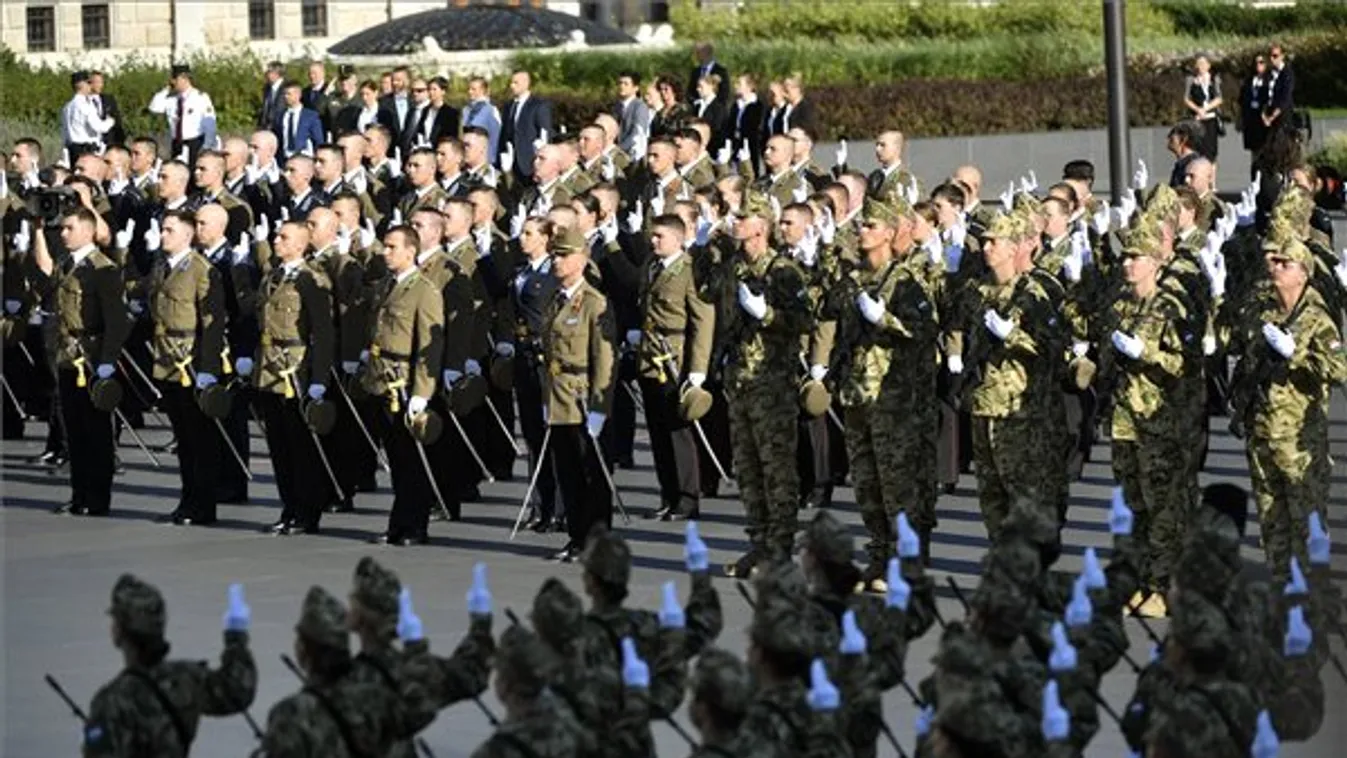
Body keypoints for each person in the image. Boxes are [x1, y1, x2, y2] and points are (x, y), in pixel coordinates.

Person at [1229, 233, 1345, 584]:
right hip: (1263, 429)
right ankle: (1281, 583)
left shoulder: (1316, 318)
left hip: (1298, 438)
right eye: (1275, 261)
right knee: (1271, 514)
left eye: (1285, 263)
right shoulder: (1262, 311)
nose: (1276, 267)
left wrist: (1296, 354)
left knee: (1305, 516)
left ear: (1303, 273)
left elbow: (1339, 368)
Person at [723, 191, 812, 577]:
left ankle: (780, 548)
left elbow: (802, 322)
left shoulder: (784, 271)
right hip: (740, 382)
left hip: (772, 383)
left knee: (777, 469)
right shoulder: (734, 268)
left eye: (744, 217)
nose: (736, 222)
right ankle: (758, 544)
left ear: (762, 226)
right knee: (747, 469)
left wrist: (768, 314)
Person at [82, 574, 258, 756]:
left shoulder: (112, 701)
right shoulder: (186, 679)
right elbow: (237, 691)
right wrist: (236, 634)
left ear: (120, 632)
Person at [28, 207, 129, 517]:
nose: (64, 233)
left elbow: (117, 321)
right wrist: (26, 255)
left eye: (69, 228)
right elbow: (47, 291)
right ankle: (79, 494)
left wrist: (108, 361)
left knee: (96, 432)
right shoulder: (65, 264)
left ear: (87, 231)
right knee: (74, 430)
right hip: (68, 356)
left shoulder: (103, 269)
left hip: (93, 356)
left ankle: (97, 498)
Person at [141, 209, 228, 527]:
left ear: (188, 234)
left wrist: (208, 368)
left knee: (199, 438)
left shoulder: (202, 271)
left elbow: (212, 323)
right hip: (167, 360)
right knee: (183, 437)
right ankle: (187, 500)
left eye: (169, 230)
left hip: (190, 362)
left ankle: (203, 505)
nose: (163, 235)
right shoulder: (162, 267)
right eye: (163, 230)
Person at [360, 226, 444, 546]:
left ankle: (415, 525)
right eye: (385, 246)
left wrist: (422, 392)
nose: (386, 252)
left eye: (393, 247)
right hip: (382, 380)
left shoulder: (424, 290)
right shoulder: (385, 286)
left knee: (411, 460)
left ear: (411, 251)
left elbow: (430, 346)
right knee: (395, 459)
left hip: (405, 383)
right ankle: (398, 522)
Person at [540, 227, 616, 562]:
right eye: (555, 254)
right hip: (559, 398)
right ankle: (576, 536)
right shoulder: (556, 298)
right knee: (567, 473)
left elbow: (604, 359)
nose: (557, 260)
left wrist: (601, 407)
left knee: (592, 474)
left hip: (583, 398)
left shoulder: (594, 303)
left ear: (582, 259)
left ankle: (596, 541)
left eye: (564, 254)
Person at [636, 214, 714, 522]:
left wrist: (697, 369)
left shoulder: (690, 270)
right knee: (657, 432)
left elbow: (703, 320)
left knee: (678, 431)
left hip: (675, 358)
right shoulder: (651, 266)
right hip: (650, 356)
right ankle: (667, 494)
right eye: (652, 236)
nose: (654, 241)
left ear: (678, 239)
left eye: (660, 236)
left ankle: (687, 498)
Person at [147, 64, 217, 166]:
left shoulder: (200, 97)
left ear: (184, 78)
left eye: (175, 79)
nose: (173, 82)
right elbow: (154, 108)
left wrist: (207, 146)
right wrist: (166, 89)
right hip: (177, 144)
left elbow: (209, 124)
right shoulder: (171, 99)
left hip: (195, 143)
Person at [501, 70, 554, 183]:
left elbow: (545, 134)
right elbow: (505, 133)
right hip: (512, 162)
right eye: (511, 82)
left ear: (526, 83)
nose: (512, 86)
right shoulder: (509, 106)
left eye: (516, 83)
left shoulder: (538, 105)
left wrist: (542, 159)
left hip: (531, 161)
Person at [62, 71, 118, 160]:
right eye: (89, 83)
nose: (90, 86)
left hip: (72, 150)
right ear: (82, 84)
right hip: (86, 150)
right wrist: (110, 121)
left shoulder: (67, 107)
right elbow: (99, 127)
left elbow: (65, 133)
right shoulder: (85, 105)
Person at [1183, 55, 1223, 163]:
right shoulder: (1191, 80)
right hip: (1197, 119)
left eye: (1203, 63)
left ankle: (1212, 178)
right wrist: (1197, 109)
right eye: (1198, 64)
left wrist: (1206, 108)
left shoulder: (1214, 79)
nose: (1200, 66)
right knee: (1198, 149)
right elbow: (1186, 99)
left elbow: (1219, 98)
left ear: (1208, 66)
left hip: (1211, 118)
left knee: (1211, 152)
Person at [274, 81, 325, 161]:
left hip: (304, 158)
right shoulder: (280, 116)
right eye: (284, 94)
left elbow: (318, 140)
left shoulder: (310, 116)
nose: (286, 97)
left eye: (289, 94)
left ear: (298, 95)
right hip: (284, 158)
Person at [461, 76, 502, 163]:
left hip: (486, 158)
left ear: (482, 90)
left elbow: (497, 135)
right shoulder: (466, 110)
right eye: (469, 89)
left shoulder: (491, 110)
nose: (470, 92)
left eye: (473, 89)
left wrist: (493, 158)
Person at [614, 71, 651, 160]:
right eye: (620, 83)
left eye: (626, 84)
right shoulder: (616, 106)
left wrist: (618, 150)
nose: (621, 86)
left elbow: (637, 133)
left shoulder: (640, 106)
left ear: (636, 88)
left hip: (632, 155)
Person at [1263, 43, 1295, 135]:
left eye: (1275, 56)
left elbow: (1285, 98)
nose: (1272, 58)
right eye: (1270, 56)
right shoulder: (1268, 74)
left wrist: (1272, 117)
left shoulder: (1287, 73)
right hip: (1268, 112)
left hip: (1282, 115)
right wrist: (1264, 115)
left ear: (1282, 56)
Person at [88, 71, 126, 147]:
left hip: (108, 143)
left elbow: (117, 120)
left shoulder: (109, 99)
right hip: (91, 143)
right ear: (89, 83)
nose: (99, 85)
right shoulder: (83, 102)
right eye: (96, 82)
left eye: (101, 82)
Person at [258, 61, 287, 131]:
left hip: (281, 126)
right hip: (266, 127)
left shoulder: (286, 87)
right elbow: (265, 107)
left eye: (270, 72)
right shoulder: (267, 88)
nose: (268, 75)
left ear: (277, 73)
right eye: (268, 72)